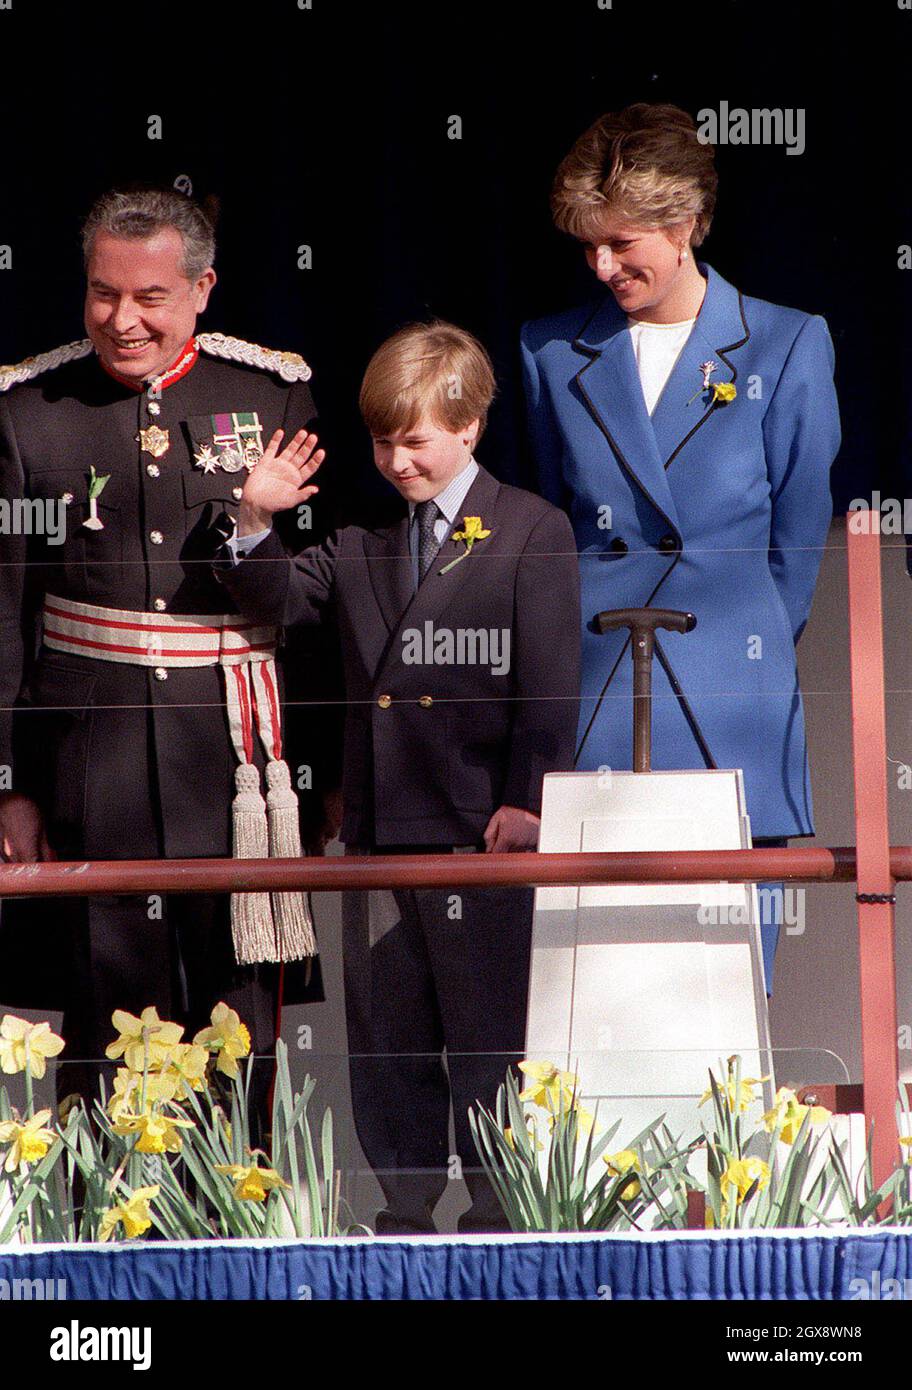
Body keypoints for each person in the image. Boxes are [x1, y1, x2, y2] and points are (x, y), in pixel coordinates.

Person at [215, 321, 581, 1232]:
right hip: (378, 833)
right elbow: (277, 601)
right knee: (387, 1041)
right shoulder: (362, 540)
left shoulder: (533, 528)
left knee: (489, 1037)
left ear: (470, 426)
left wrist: (530, 800)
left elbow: (549, 687)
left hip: (479, 834)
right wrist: (254, 519)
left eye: (415, 439)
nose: (396, 460)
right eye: (382, 440)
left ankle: (501, 1213)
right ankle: (405, 1213)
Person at [0, 187, 335, 1107]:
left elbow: (315, 602)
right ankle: (103, 1234)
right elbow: (3, 612)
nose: (122, 320)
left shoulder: (271, 393)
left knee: (241, 1024)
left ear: (202, 289)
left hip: (235, 760)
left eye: (149, 297)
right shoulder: (30, 408)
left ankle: (238, 1225)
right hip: (87, 762)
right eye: (103, 294)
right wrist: (10, 783)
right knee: (106, 1024)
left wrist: (329, 769)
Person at [520, 104, 841, 989]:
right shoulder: (549, 350)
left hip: (732, 691)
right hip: (596, 690)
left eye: (622, 243)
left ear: (688, 222)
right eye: (588, 245)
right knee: (591, 987)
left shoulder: (788, 340)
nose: (602, 265)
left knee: (728, 987)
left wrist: (752, 649)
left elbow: (797, 543)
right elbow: (553, 529)